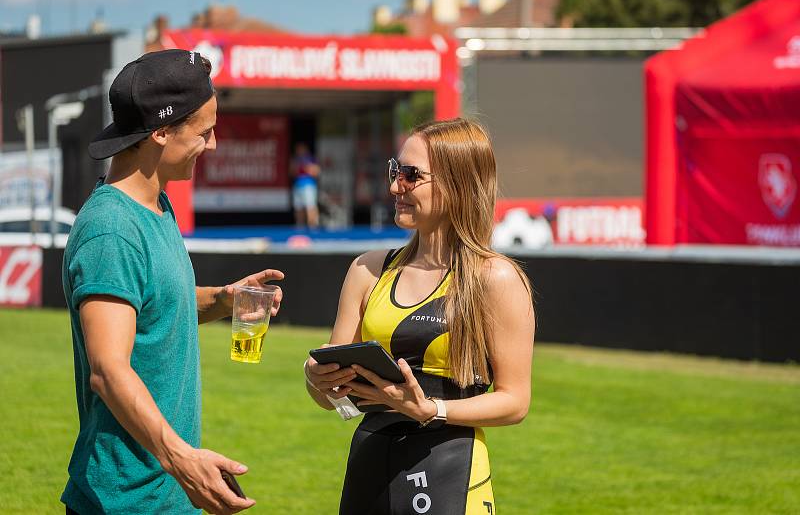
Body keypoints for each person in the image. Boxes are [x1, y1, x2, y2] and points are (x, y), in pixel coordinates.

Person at [61, 49, 284, 515]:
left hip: (166, 496)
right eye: (205, 132)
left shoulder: (158, 206)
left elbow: (154, 307)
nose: (215, 144)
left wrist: (224, 300)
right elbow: (108, 370)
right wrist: (183, 460)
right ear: (160, 132)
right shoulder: (111, 230)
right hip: (124, 501)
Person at [304, 118, 535, 514]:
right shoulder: (368, 270)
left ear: (457, 183)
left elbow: (515, 401)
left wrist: (432, 409)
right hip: (369, 467)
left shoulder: (494, 278)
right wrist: (316, 378)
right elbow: (332, 400)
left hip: (449, 470)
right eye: (396, 172)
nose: (395, 187)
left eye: (411, 176)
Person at [289, 142, 320, 228]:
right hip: (298, 186)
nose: (299, 151)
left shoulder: (310, 158)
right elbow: (291, 172)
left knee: (310, 206)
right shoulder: (295, 159)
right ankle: (300, 227)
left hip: (308, 186)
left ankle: (313, 227)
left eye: (301, 148)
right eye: (298, 149)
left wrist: (307, 168)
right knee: (298, 208)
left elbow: (316, 171)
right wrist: (296, 167)